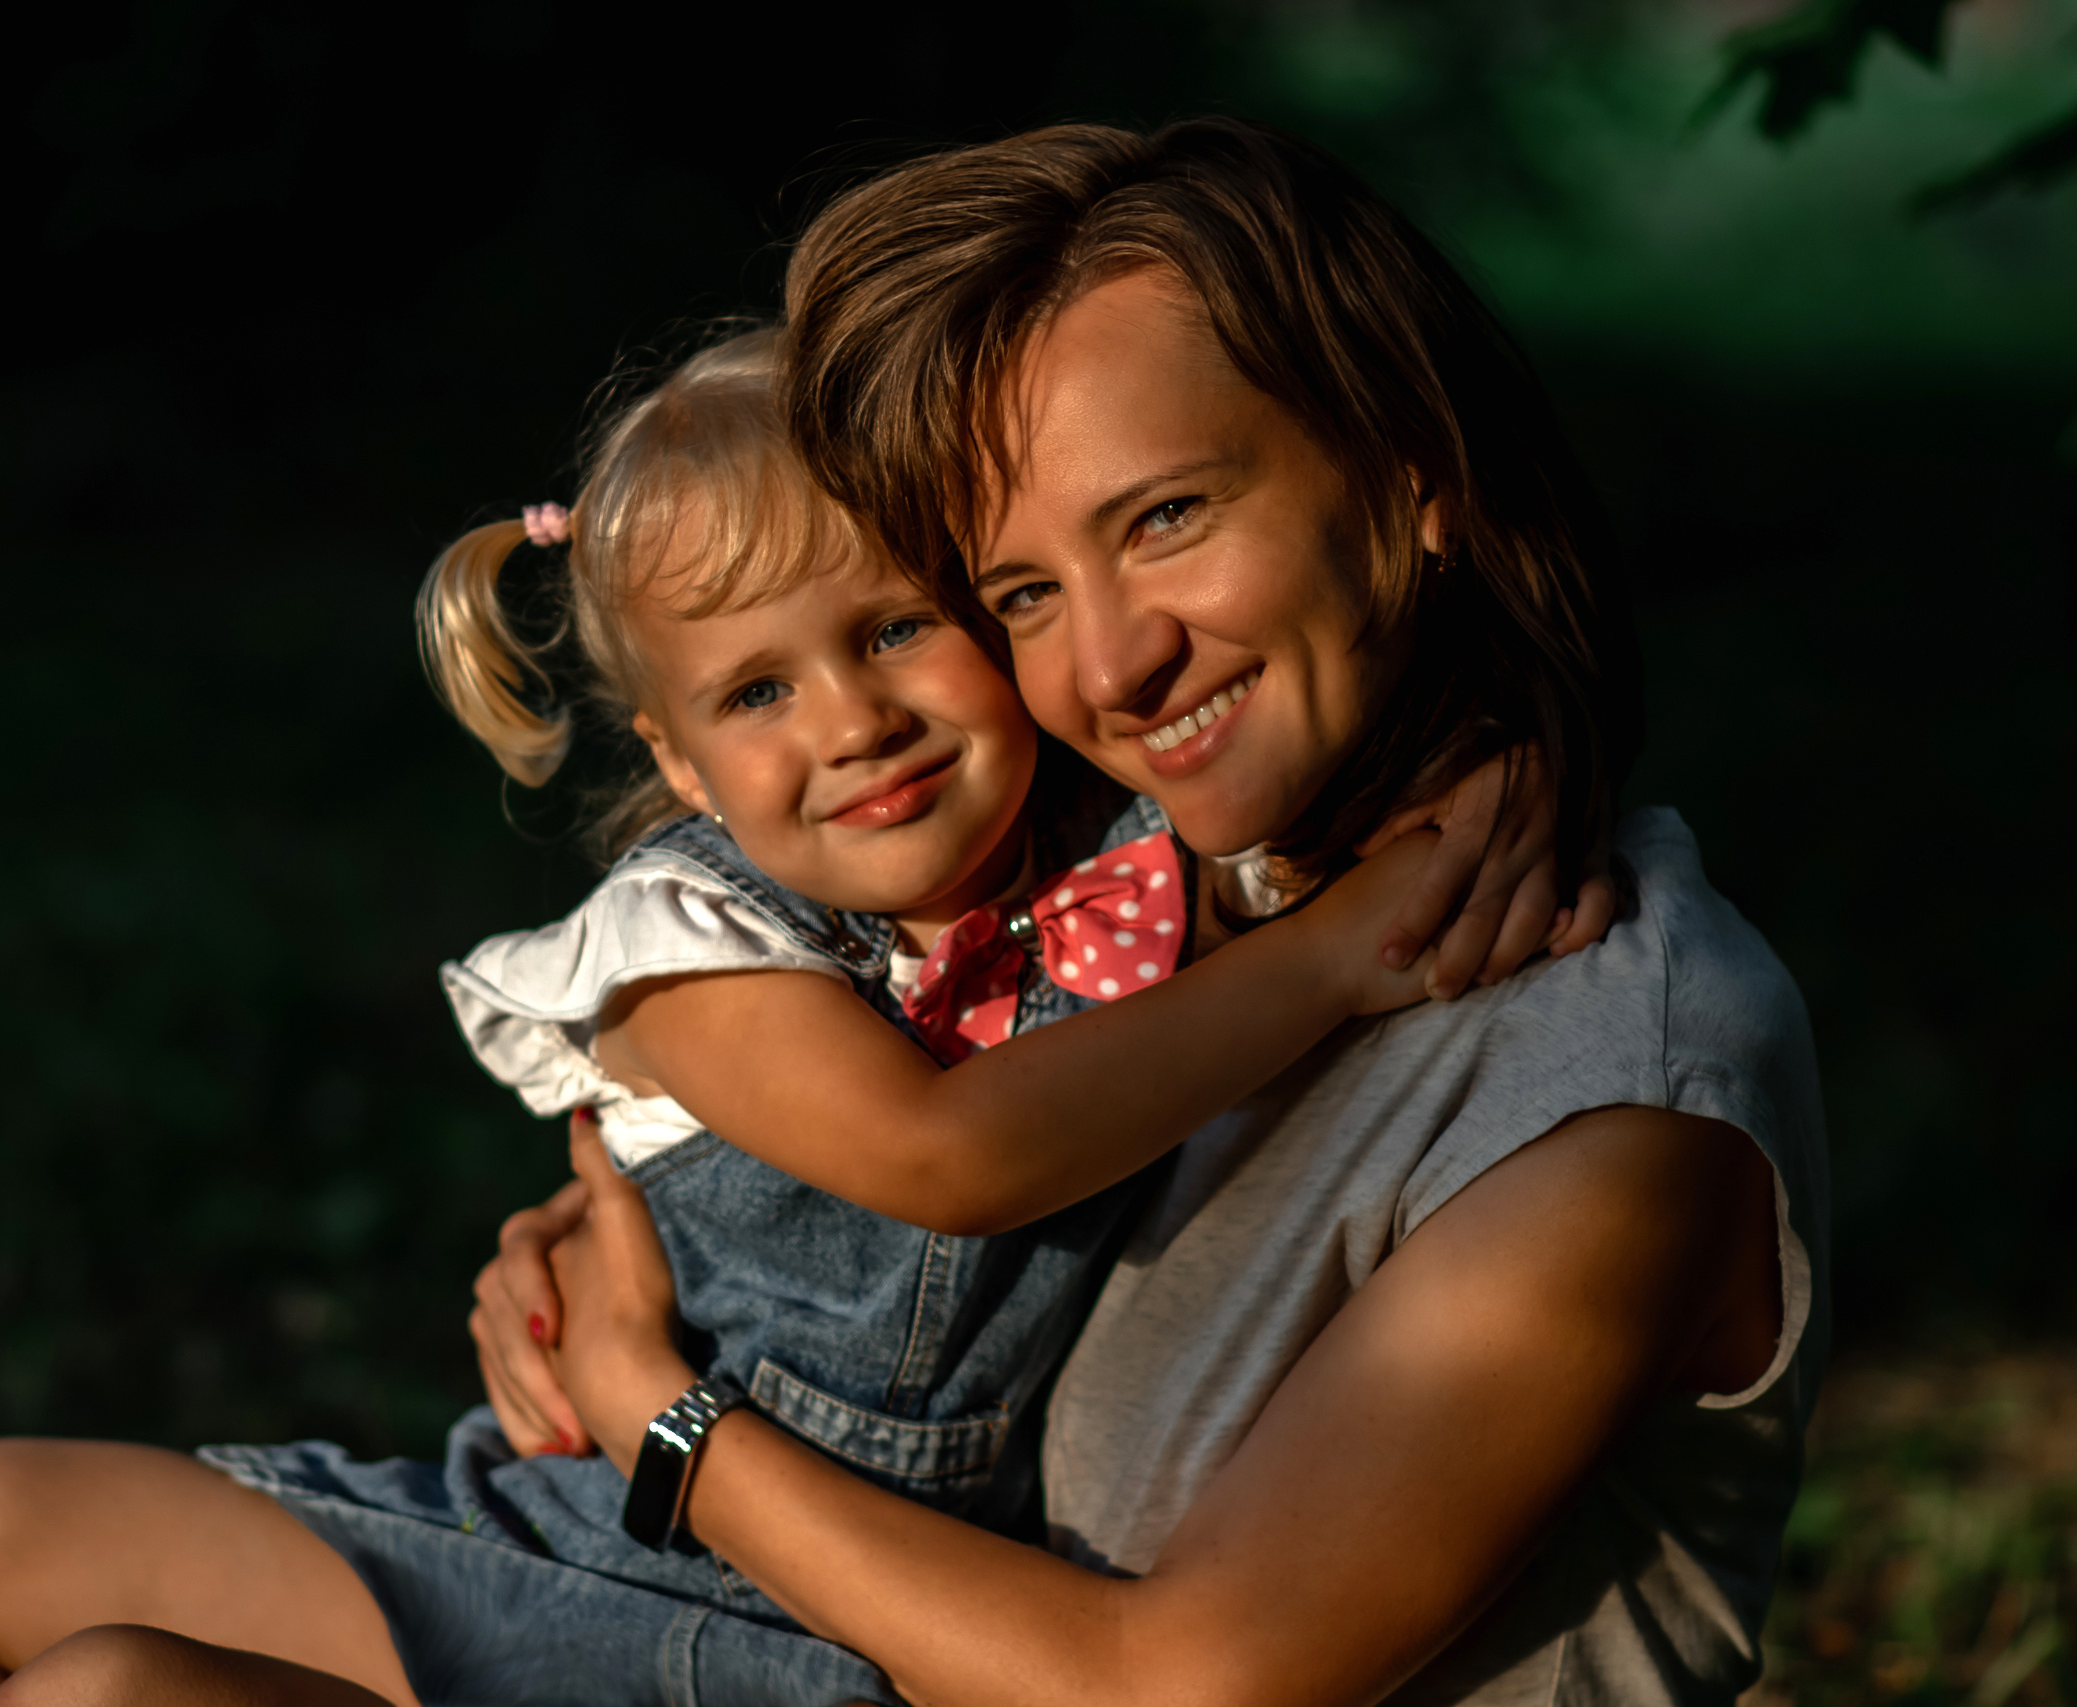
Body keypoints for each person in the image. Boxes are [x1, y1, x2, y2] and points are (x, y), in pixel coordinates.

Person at [0, 318, 1591, 1707]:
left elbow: (1350, 783)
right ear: (685, 767)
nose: (853, 718)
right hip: (586, 1532)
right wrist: (1336, 954)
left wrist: (1492, 792)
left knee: (104, 1692)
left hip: (841, 1608)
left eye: (899, 628)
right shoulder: (681, 951)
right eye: (760, 689)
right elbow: (950, 1154)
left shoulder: (1126, 858)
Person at [468, 118, 1825, 1707]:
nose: (1109, 670)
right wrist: (641, 1237)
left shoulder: (1615, 1082)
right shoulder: (1176, 915)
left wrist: (661, 1417)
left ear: (1416, 472)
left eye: (1165, 517)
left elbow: (1179, 1690)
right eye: (1024, 593)